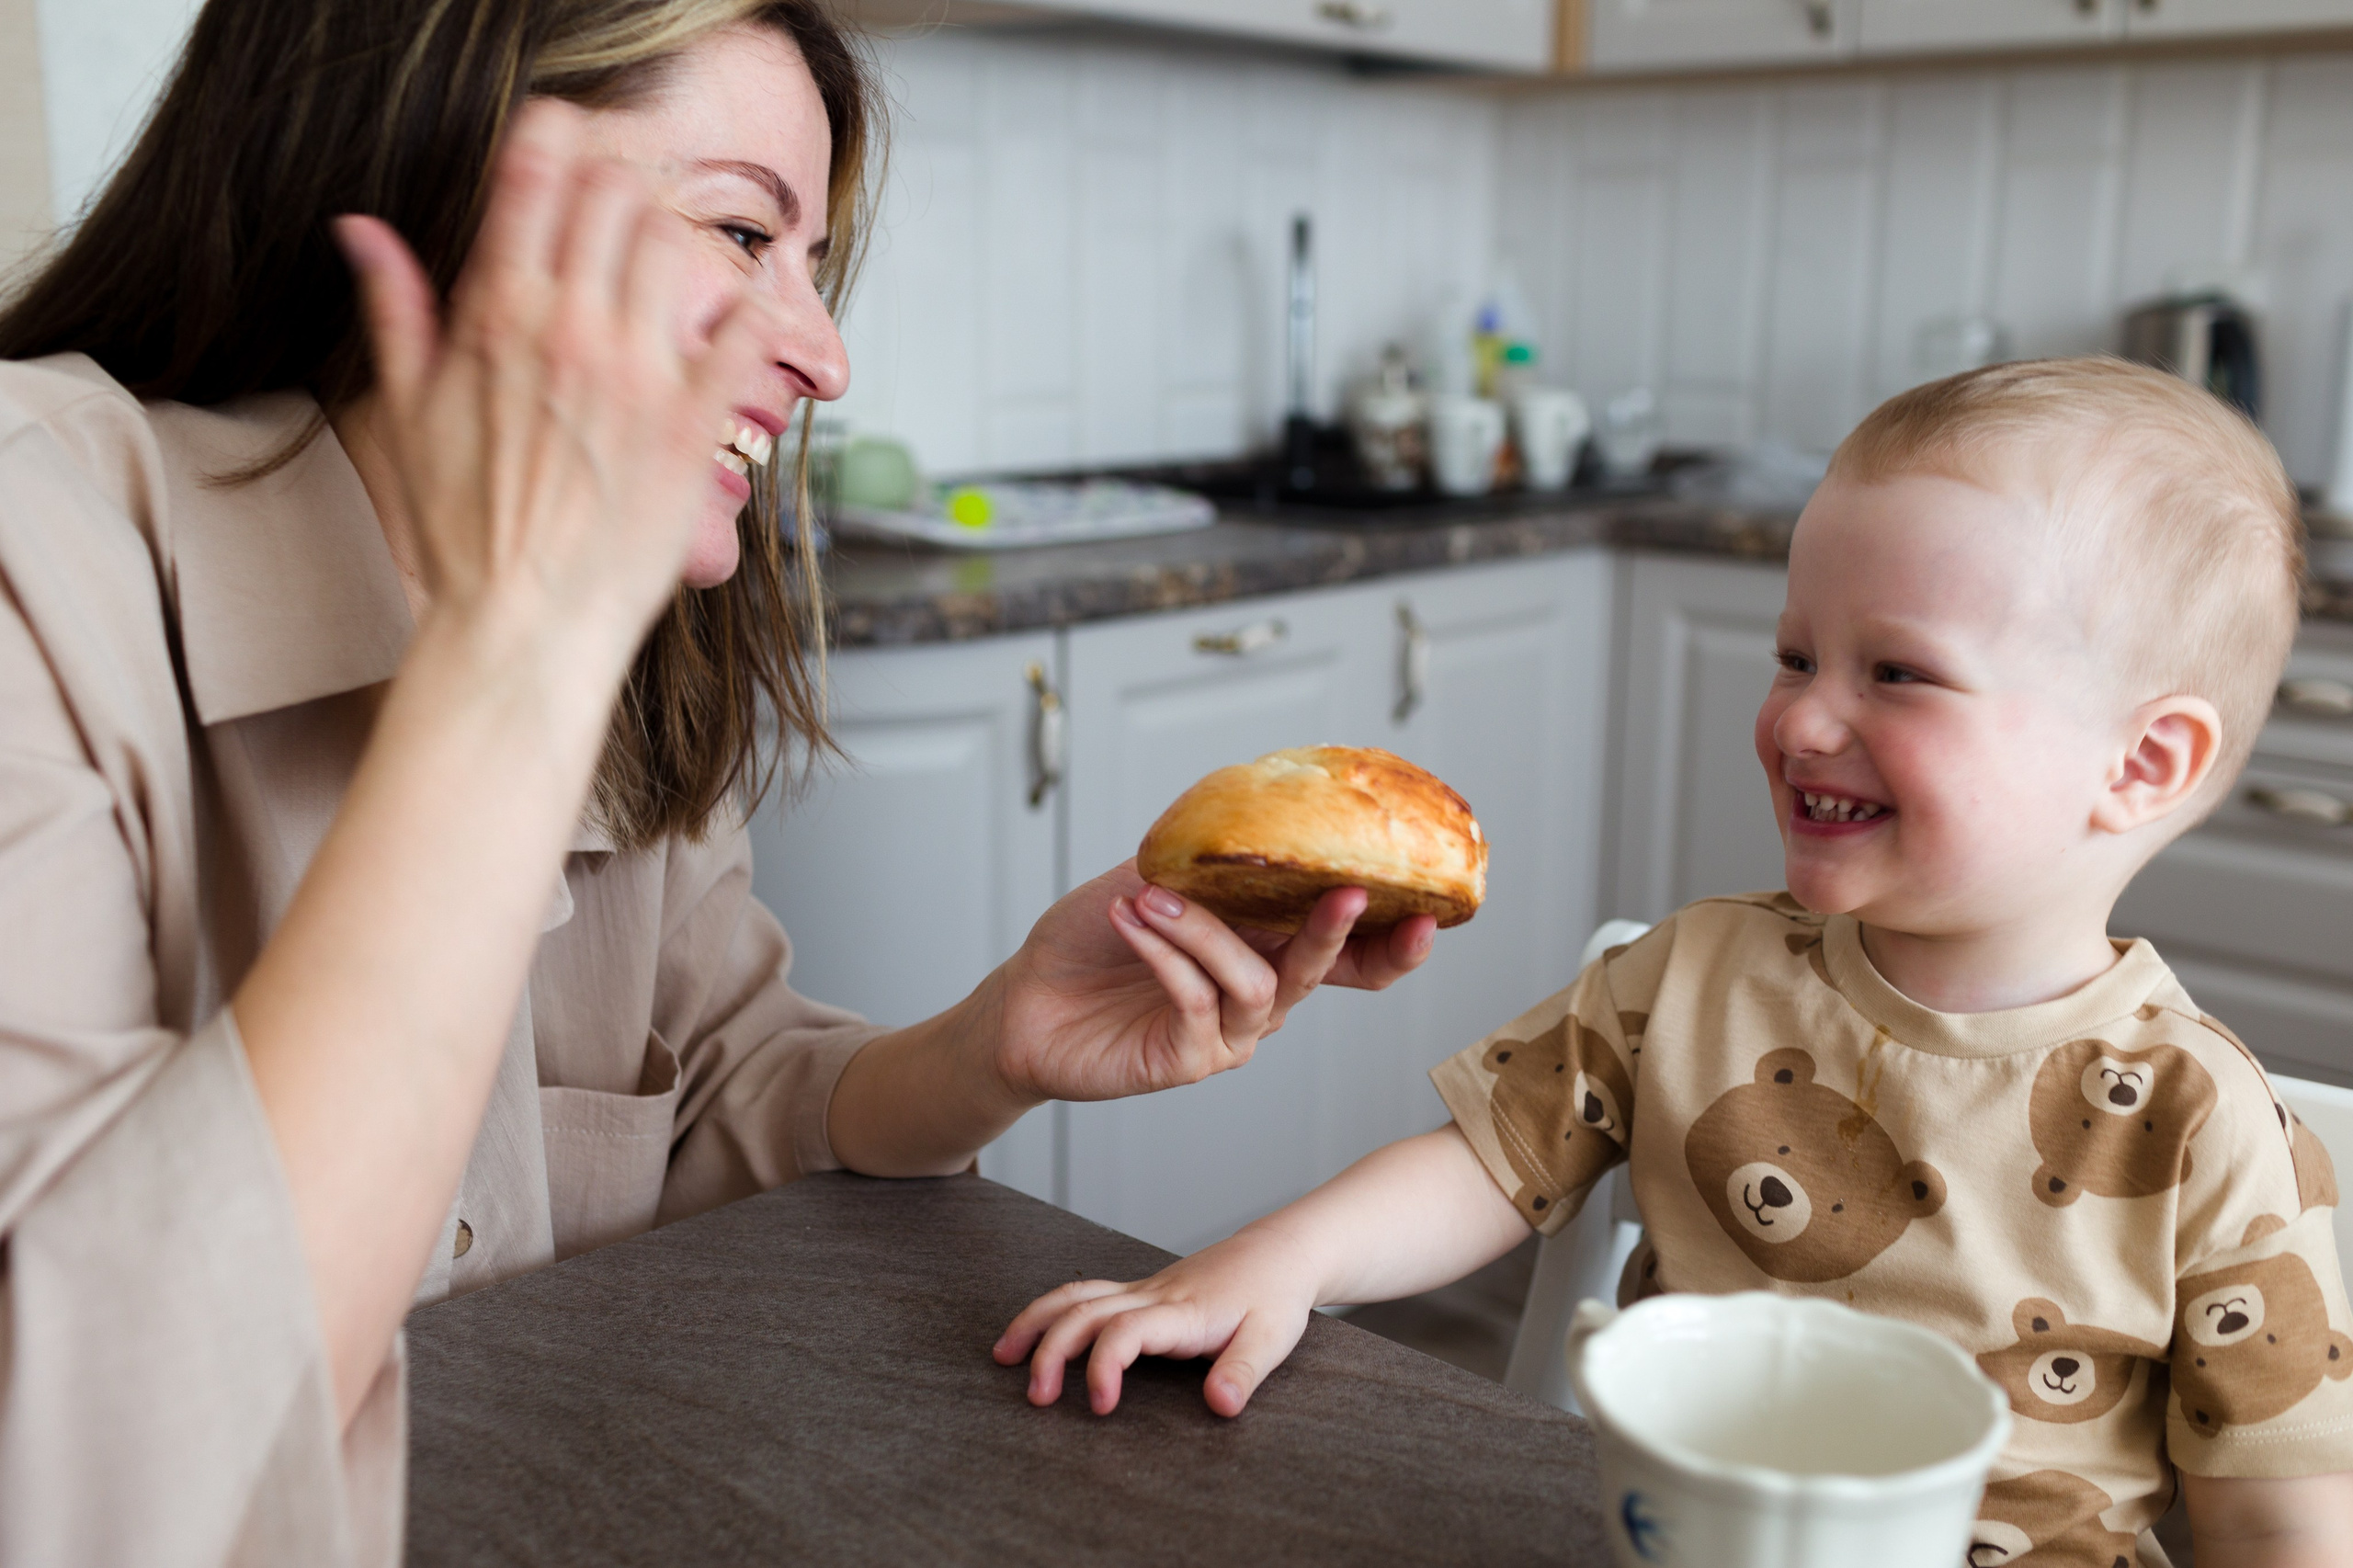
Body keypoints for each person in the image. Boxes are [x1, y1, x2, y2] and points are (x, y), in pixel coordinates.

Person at [0, 3, 1434, 1562]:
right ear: (442, 170)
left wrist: (995, 1040)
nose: (823, 356)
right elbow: (89, 1465)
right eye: (743, 228)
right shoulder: (41, 566)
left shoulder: (630, 648)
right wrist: (514, 665)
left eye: (813, 261)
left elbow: (712, 1098)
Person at [1001, 358, 2353, 1566]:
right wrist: (1269, 1263)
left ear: (2140, 763)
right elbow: (1485, 1161)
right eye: (1795, 654)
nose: (1801, 715)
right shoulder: (1692, 973)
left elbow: (2279, 1524)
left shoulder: (2203, 1123)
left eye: (1897, 673)